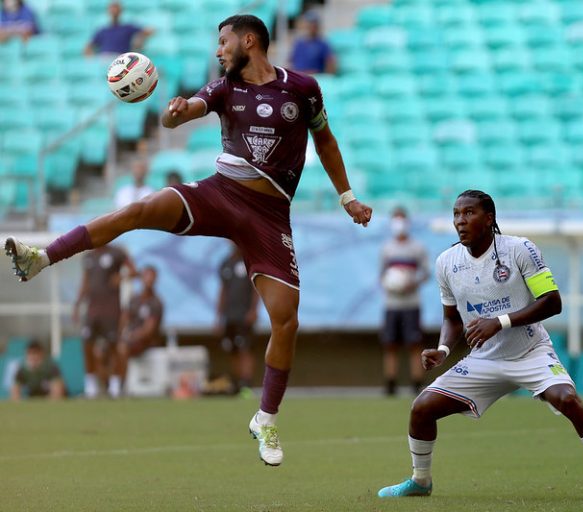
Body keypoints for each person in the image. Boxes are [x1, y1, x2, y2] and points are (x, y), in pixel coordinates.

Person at [5, 14, 372, 467]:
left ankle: (267, 418)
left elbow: (327, 142)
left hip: (269, 215)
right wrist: (173, 111)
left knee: (285, 319)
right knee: (138, 210)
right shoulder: (222, 88)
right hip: (220, 193)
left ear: (249, 40)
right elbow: (179, 117)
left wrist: (348, 197)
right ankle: (43, 256)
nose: (218, 50)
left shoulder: (303, 88)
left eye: (223, 41)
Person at [377, 190, 583, 501]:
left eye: (469, 213)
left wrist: (500, 322)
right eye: (456, 214)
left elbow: (552, 302)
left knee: (568, 400)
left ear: (489, 218)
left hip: (530, 351)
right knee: (421, 408)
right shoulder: (446, 262)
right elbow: (451, 319)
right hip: (485, 360)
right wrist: (443, 351)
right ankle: (420, 481)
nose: (460, 221)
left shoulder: (520, 250)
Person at [73, 244, 137, 398]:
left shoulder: (117, 252)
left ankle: (115, 386)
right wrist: (77, 304)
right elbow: (85, 283)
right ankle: (91, 386)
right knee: (87, 344)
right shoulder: (88, 257)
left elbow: (134, 271)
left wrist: (121, 277)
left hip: (111, 310)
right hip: (92, 311)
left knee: (113, 346)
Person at [379, 207, 430, 396]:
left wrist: (412, 282)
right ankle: (390, 384)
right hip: (391, 304)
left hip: (411, 303)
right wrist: (390, 283)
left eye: (402, 219)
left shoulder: (417, 247)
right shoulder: (387, 248)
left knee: (414, 344)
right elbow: (382, 275)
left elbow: (426, 273)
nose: (399, 224)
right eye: (396, 219)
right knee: (390, 344)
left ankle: (416, 384)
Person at [216, 242, 260, 395]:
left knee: (245, 348)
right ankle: (237, 381)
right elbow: (222, 291)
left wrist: (254, 310)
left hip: (244, 315)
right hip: (230, 315)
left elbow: (256, 289)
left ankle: (246, 383)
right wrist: (219, 317)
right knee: (232, 349)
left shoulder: (249, 262)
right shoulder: (225, 264)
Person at [115, 265, 164, 397]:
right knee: (107, 348)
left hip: (145, 342)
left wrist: (131, 336)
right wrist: (120, 334)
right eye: (146, 276)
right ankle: (105, 385)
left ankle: (121, 385)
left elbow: (149, 330)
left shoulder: (156, 302)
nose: (148, 280)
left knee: (122, 348)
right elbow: (124, 318)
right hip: (129, 338)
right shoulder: (134, 299)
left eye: (151, 277)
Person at [84, 1, 154, 56]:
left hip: (121, 58)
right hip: (104, 58)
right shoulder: (102, 30)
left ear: (121, 11)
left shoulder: (128, 28)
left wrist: (139, 40)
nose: (114, 11)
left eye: (116, 8)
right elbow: (89, 47)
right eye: (112, 9)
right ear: (108, 11)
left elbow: (148, 31)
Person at [288, 10, 336, 75]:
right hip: (298, 77)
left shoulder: (322, 44)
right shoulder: (298, 43)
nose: (312, 27)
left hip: (314, 78)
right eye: (310, 24)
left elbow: (330, 64)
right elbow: (290, 62)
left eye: (314, 25)